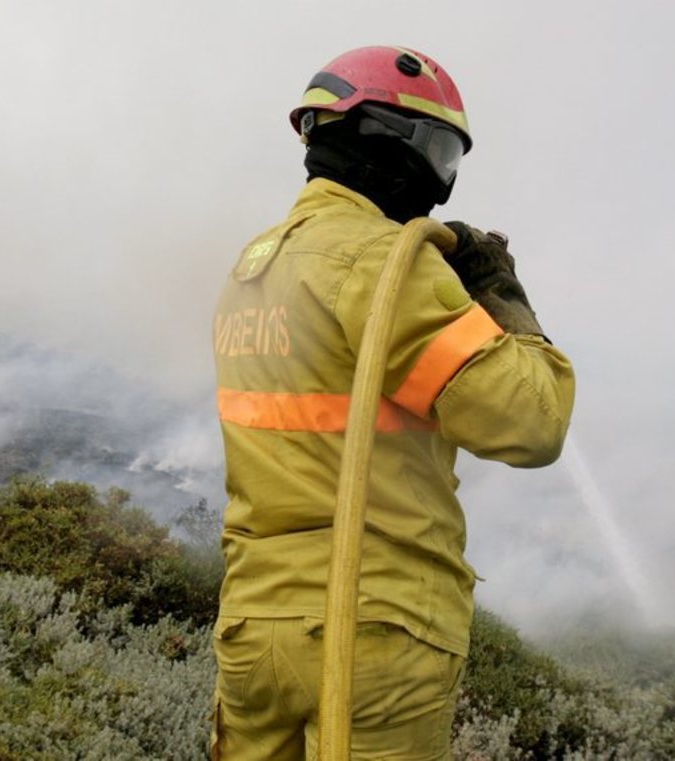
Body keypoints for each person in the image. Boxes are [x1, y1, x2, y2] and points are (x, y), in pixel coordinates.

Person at [210, 45, 576, 759]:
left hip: (254, 627)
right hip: (371, 625)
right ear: (385, 138)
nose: (440, 181)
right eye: (438, 150)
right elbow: (534, 422)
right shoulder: (385, 259)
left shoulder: (254, 267)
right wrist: (499, 288)